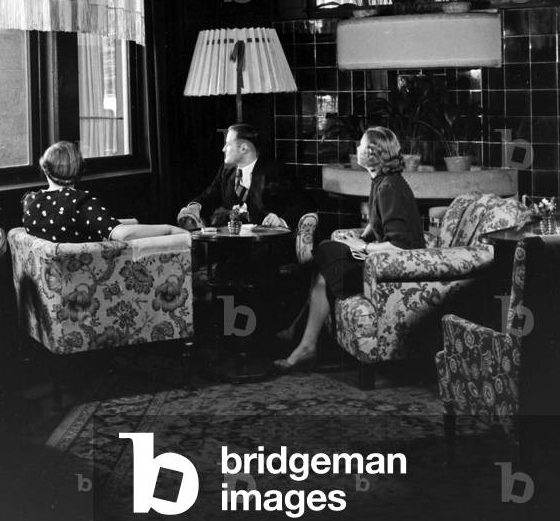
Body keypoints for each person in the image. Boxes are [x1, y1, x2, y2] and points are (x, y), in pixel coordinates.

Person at [273, 126, 425, 373]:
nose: (356, 150)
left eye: (361, 146)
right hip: (379, 263)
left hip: (391, 273)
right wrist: (355, 237)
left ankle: (302, 339)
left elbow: (401, 244)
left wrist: (361, 245)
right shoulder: (380, 182)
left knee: (324, 254)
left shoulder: (389, 187)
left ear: (374, 154)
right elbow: (378, 225)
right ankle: (302, 337)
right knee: (325, 259)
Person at [22, 141, 189, 249]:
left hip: (56, 284)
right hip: (90, 277)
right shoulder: (80, 202)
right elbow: (122, 234)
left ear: (45, 168)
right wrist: (168, 229)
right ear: (80, 171)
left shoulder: (31, 201)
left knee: (134, 222)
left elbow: (69, 224)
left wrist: (131, 222)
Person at [177, 123, 311, 231]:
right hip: (232, 244)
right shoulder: (226, 171)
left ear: (244, 148)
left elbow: (303, 203)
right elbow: (211, 194)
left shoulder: (274, 170)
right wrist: (195, 206)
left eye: (228, 144)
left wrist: (281, 220)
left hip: (264, 245)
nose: (223, 149)